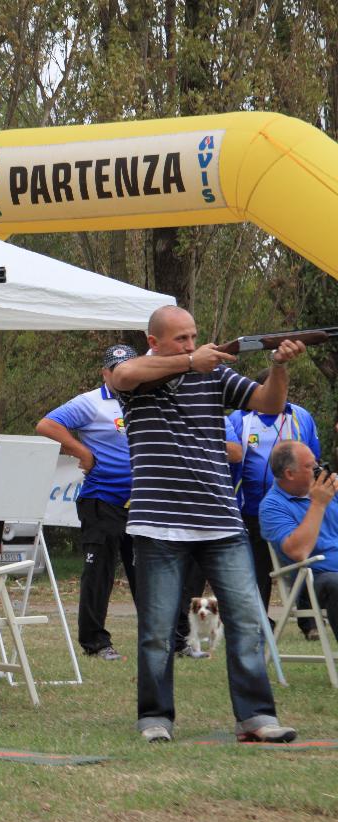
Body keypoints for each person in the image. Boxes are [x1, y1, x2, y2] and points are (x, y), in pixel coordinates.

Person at [108, 305, 301, 744]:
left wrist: (279, 366)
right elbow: (122, 375)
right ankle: (155, 719)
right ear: (154, 341)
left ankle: (255, 718)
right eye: (181, 339)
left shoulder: (214, 374)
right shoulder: (138, 375)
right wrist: (187, 363)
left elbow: (270, 403)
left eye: (194, 337)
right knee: (157, 632)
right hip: (158, 525)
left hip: (219, 520)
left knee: (249, 622)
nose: (192, 346)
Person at [36, 344, 138, 662]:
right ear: (105, 373)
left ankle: (169, 640)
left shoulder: (148, 398)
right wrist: (81, 452)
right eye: (116, 369)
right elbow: (47, 425)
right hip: (102, 500)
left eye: (129, 368)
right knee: (100, 574)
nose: (123, 375)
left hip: (142, 503)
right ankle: (96, 643)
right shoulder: (92, 403)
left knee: (150, 574)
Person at [225, 376, 321, 639]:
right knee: (257, 568)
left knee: (303, 561)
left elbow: (313, 458)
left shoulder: (300, 416)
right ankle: (258, 622)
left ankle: (310, 623)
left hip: (295, 507)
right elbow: (232, 460)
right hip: (250, 508)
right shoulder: (239, 419)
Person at [258, 441, 338, 645]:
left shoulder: (330, 489)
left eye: (317, 463)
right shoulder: (272, 506)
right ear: (289, 474)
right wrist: (318, 504)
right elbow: (299, 551)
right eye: (310, 466)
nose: (319, 469)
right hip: (314, 580)